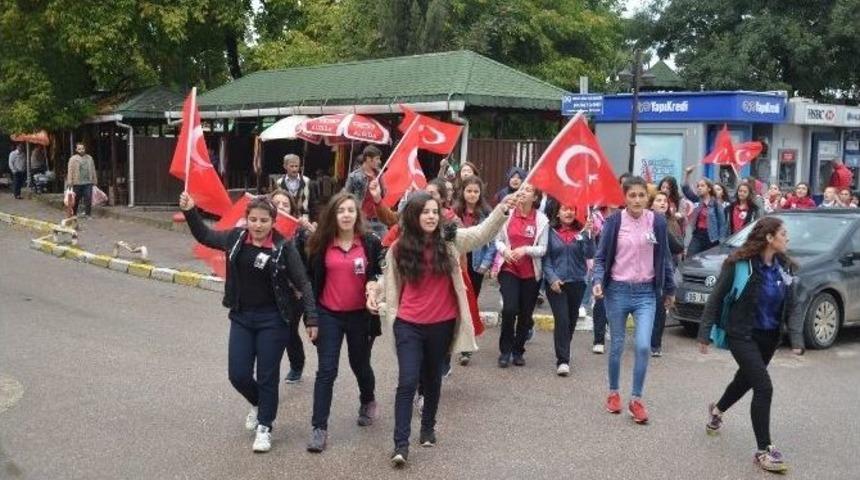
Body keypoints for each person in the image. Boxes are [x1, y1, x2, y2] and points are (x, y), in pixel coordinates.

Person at [368, 190, 515, 467]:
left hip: (442, 324)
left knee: (433, 377)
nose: (431, 216)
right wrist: (374, 293)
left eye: (435, 211)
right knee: (408, 381)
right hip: (408, 324)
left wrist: (502, 210)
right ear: (413, 215)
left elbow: (481, 233)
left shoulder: (450, 241)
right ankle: (401, 445)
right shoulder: (399, 247)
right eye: (425, 211)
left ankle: (427, 427)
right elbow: (387, 281)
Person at [179, 192, 318, 453]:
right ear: (247, 219)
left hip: (273, 320)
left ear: (272, 221)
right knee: (238, 374)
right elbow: (205, 236)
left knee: (267, 376)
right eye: (253, 219)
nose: (258, 225)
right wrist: (190, 211)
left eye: (264, 220)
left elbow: (303, 283)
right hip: (242, 317)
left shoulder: (283, 247)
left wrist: (311, 317)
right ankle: (258, 404)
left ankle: (265, 426)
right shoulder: (235, 239)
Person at [697, 217, 803, 473]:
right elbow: (716, 298)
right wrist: (704, 333)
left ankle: (718, 410)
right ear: (769, 238)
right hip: (742, 335)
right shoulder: (739, 265)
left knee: (744, 380)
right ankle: (764, 450)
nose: (787, 238)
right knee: (763, 387)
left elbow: (795, 305)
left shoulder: (785, 268)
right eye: (783, 233)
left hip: (769, 337)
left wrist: (797, 338)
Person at [297, 193, 383, 453]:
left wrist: (376, 287)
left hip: (360, 316)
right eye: (340, 211)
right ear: (333, 215)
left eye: (350, 210)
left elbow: (381, 271)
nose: (346, 215)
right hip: (328, 315)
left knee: (360, 365)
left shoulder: (369, 242)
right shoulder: (320, 244)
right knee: (326, 371)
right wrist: (311, 318)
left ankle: (367, 400)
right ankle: (319, 428)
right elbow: (309, 284)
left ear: (358, 215)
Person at [592, 176, 675, 424]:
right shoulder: (614, 222)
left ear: (647, 198)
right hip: (617, 291)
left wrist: (669, 290)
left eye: (641, 195)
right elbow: (600, 259)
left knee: (642, 346)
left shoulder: (657, 222)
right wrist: (597, 281)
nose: (637, 200)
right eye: (632, 195)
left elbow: (665, 258)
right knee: (617, 345)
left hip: (646, 294)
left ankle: (636, 399)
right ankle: (614, 393)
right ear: (624, 197)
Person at [494, 184, 549, 368]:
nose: (523, 192)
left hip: (531, 273)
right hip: (509, 269)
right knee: (509, 309)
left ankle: (518, 351)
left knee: (526, 315)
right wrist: (505, 251)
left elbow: (543, 249)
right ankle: (505, 351)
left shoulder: (542, 220)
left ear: (535, 197)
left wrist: (525, 249)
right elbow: (498, 241)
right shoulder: (508, 214)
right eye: (521, 190)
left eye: (528, 190)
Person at [542, 202, 594, 376]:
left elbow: (589, 254)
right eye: (565, 209)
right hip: (556, 284)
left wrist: (588, 235)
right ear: (558, 213)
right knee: (562, 319)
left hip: (577, 282)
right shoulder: (549, 231)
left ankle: (564, 346)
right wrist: (552, 278)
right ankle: (563, 360)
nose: (569, 212)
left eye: (572, 209)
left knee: (571, 321)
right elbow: (546, 259)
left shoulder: (582, 231)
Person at [270, 190, 314, 384]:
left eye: (285, 204)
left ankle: (297, 365)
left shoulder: (299, 232)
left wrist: (311, 231)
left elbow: (317, 252)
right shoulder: (263, 228)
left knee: (289, 331)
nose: (280, 207)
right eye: (276, 203)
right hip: (271, 291)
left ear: (292, 208)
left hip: (296, 293)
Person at [648, 192, 684, 357]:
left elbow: (678, 245)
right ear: (651, 204)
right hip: (645, 271)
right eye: (659, 200)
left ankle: (655, 344)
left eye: (665, 201)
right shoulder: (646, 220)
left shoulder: (670, 222)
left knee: (660, 309)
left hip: (664, 270)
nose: (663, 203)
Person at [683, 166, 726, 256]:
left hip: (711, 237)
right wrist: (687, 174)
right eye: (698, 186)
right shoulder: (698, 200)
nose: (699, 188)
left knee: (708, 262)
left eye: (702, 186)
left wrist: (721, 241)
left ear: (709, 188)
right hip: (698, 235)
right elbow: (686, 190)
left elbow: (722, 223)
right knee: (690, 257)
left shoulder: (716, 203)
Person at [344, 145, 386, 237]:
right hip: (362, 220)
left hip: (379, 219)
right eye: (377, 159)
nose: (379, 162)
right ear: (368, 159)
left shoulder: (379, 174)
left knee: (384, 246)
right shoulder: (354, 176)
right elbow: (345, 198)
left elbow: (383, 195)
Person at [66, 143, 98, 217]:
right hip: (77, 182)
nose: (81, 150)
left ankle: (88, 214)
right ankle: (74, 213)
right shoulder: (73, 159)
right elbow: (70, 170)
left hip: (88, 182)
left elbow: (93, 169)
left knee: (88, 198)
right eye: (79, 149)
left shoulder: (90, 158)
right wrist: (70, 181)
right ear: (76, 150)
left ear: (85, 149)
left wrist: (95, 180)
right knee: (76, 199)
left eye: (82, 148)